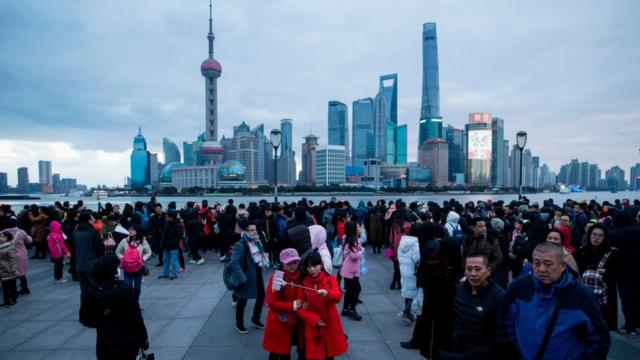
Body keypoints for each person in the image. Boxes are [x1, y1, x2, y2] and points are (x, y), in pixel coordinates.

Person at [497, 242, 610, 360]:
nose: (541, 269)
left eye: (548, 264)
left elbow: (598, 340)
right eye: (536, 263)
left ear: (562, 266)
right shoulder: (518, 287)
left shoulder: (582, 295)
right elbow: (504, 326)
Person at [80, 254, 149, 359]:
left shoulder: (92, 291)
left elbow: (85, 319)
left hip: (104, 343)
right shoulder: (124, 288)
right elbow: (136, 318)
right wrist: (143, 338)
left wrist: (103, 320)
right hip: (127, 342)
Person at [297, 251, 348, 359]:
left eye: (315, 266)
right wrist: (313, 319)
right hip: (312, 327)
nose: (312, 270)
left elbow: (338, 296)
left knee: (329, 354)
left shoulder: (330, 280)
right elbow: (300, 308)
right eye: (309, 267)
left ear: (321, 265)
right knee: (314, 355)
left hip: (329, 324)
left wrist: (327, 293)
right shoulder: (303, 283)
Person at [450, 254, 505, 354]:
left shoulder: (499, 297)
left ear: (488, 271)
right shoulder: (460, 289)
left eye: (478, 269)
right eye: (469, 269)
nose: (473, 274)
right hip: (457, 350)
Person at [575, 224, 622, 331]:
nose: (596, 238)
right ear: (589, 235)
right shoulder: (582, 251)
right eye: (594, 234)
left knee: (599, 327)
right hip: (583, 295)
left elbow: (621, 272)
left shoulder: (612, 253)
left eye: (600, 235)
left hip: (604, 297)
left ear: (605, 237)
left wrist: (606, 271)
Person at [262, 248, 305, 360]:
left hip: (296, 320)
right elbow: (272, 301)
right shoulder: (278, 277)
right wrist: (292, 305)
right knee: (278, 351)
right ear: (282, 263)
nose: (292, 266)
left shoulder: (302, 275)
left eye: (294, 262)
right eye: (288, 263)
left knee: (290, 348)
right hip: (280, 322)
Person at [230, 221, 268, 334]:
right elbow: (234, 262)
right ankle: (239, 324)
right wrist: (241, 277)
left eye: (255, 229)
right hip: (245, 276)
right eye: (251, 230)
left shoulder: (256, 241)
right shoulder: (240, 244)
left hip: (256, 274)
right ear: (245, 232)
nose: (254, 232)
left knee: (261, 296)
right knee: (242, 300)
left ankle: (256, 318)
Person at [609, 210, 640, 336]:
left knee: (627, 299)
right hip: (638, 270)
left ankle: (629, 326)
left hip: (623, 271)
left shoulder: (613, 234)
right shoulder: (638, 231)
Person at [115, 224, 152, 302]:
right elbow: (118, 252)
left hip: (138, 267)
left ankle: (136, 303)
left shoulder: (143, 241)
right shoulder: (125, 241)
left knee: (137, 287)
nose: (130, 231)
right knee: (128, 286)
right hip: (127, 268)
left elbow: (149, 252)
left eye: (132, 229)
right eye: (129, 229)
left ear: (137, 231)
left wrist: (143, 259)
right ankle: (129, 303)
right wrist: (123, 258)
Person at [74, 211, 105, 298]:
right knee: (95, 288)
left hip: (79, 264)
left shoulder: (76, 232)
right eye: (91, 218)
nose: (93, 220)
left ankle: (84, 308)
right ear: (88, 220)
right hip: (92, 264)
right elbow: (100, 249)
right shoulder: (92, 232)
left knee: (83, 289)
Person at [340, 221, 364, 321]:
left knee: (349, 290)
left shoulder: (348, 239)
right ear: (353, 230)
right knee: (356, 289)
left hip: (348, 269)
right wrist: (362, 250)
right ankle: (352, 310)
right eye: (358, 227)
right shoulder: (354, 240)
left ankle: (345, 309)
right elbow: (354, 256)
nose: (360, 228)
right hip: (351, 270)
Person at [3, 216, 33, 294]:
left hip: (7, 255)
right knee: (21, 273)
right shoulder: (21, 232)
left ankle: (11, 292)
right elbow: (29, 241)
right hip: (20, 255)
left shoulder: (2, 233)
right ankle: (25, 289)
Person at [397, 228, 420, 324]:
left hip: (403, 269)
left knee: (407, 293)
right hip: (412, 271)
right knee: (413, 293)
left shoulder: (402, 241)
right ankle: (406, 312)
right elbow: (417, 258)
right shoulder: (415, 243)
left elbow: (398, 255)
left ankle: (407, 312)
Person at [158, 210, 181, 280]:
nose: (166, 218)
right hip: (166, 245)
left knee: (174, 260)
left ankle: (174, 274)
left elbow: (178, 236)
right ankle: (166, 273)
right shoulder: (167, 224)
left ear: (171, 217)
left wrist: (168, 242)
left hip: (173, 246)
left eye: (167, 217)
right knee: (166, 260)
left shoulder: (177, 225)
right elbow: (164, 234)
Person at [0, 231, 18, 307]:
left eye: (2, 236)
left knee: (11, 286)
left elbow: (13, 259)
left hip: (9, 270)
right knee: (4, 286)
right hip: (2, 270)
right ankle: (6, 300)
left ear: (7, 238)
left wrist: (14, 270)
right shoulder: (1, 246)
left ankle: (13, 300)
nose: (0, 238)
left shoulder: (10, 247)